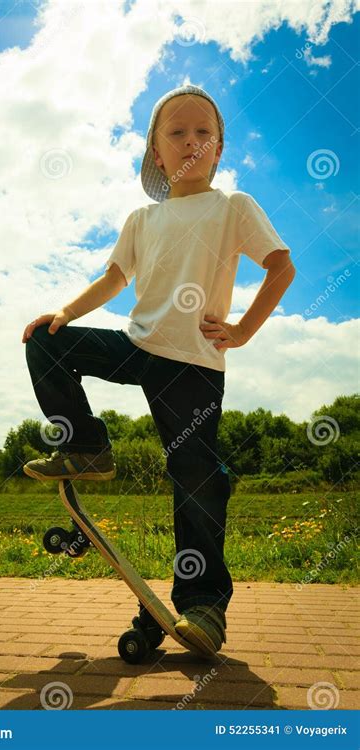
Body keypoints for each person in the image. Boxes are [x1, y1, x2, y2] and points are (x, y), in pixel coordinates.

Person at [22, 84, 296, 656]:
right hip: (138, 346)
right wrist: (67, 313)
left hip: (193, 364)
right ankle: (88, 446)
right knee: (45, 343)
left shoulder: (233, 208)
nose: (191, 142)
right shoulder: (142, 219)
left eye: (204, 134)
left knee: (197, 478)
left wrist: (243, 331)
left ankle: (202, 605)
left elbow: (281, 268)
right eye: (177, 133)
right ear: (156, 152)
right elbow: (114, 279)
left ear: (219, 150)